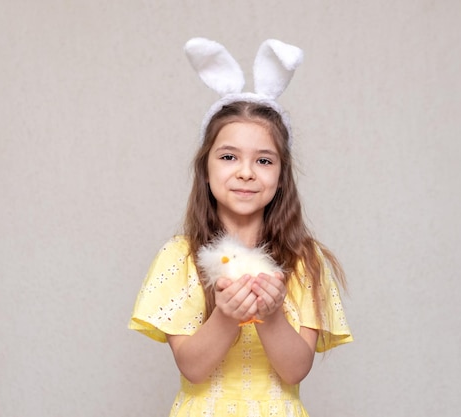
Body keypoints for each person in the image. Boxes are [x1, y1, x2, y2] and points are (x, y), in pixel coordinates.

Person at [128, 37, 353, 417]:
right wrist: (227, 315)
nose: (246, 172)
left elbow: (295, 369)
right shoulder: (179, 257)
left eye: (264, 161)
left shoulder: (304, 261)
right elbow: (194, 368)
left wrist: (271, 314)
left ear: (282, 176)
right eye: (229, 156)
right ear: (206, 168)